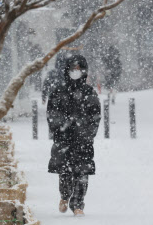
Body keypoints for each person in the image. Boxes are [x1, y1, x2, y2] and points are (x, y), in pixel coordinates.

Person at [46, 55, 101, 217]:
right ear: (67, 70)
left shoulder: (89, 92)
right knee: (65, 172)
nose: (75, 72)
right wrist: (60, 128)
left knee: (82, 173)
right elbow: (51, 114)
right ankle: (64, 196)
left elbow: (95, 116)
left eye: (79, 69)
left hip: (83, 141)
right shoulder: (58, 92)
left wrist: (87, 134)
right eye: (73, 69)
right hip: (63, 140)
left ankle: (78, 204)